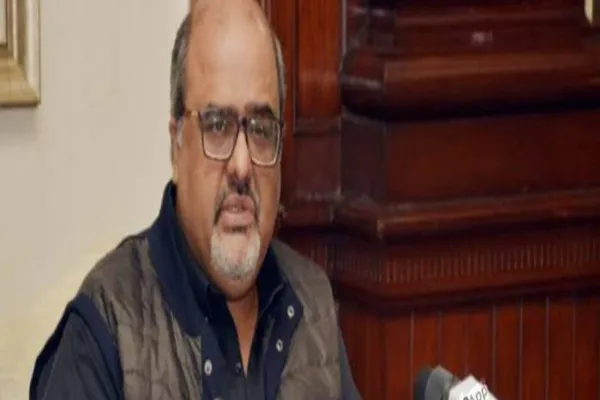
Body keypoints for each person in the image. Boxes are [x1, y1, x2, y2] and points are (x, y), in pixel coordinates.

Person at [29, 0, 361, 399]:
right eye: (217, 126)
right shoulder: (104, 330)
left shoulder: (312, 305)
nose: (241, 165)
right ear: (176, 144)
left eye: (260, 129)